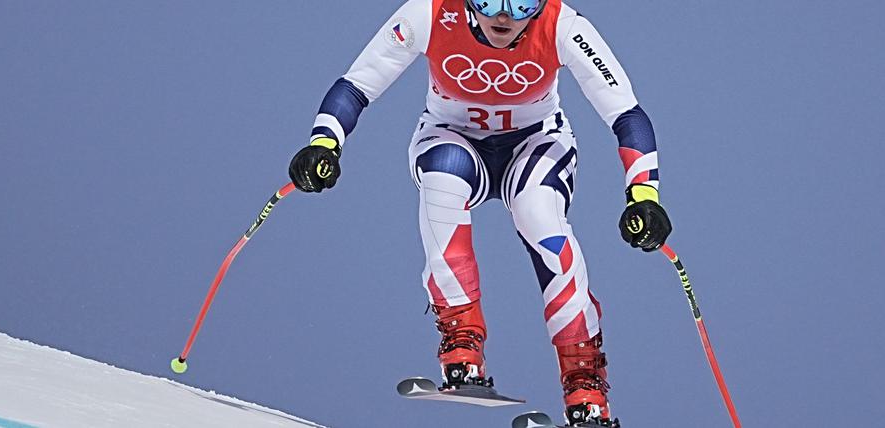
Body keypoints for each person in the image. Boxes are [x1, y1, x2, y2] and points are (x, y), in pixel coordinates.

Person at [287, 0, 672, 426]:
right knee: (443, 179)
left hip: (536, 142)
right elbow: (357, 85)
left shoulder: (562, 25)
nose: (504, 16)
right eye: (489, 0)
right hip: (450, 135)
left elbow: (625, 112)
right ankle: (462, 343)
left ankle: (585, 383)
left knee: (539, 213)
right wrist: (324, 143)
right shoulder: (429, 13)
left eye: (523, 2)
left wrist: (643, 195)